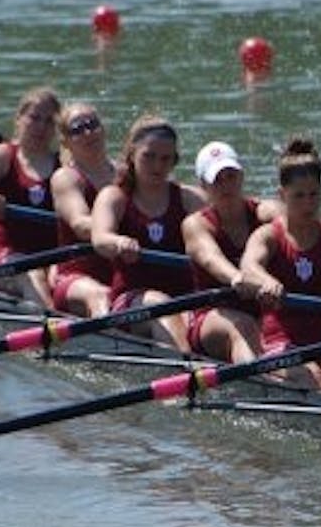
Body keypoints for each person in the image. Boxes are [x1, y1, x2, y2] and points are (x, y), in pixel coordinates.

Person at [239, 138, 321, 391]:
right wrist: (266, 281)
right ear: (282, 195)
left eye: (314, 194)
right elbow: (248, 268)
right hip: (279, 341)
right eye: (299, 196)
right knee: (312, 379)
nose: (308, 204)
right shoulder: (268, 236)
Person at [91, 114, 206, 351]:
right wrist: (118, 241)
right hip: (131, 301)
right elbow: (100, 238)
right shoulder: (114, 197)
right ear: (132, 154)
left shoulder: (189, 199)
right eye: (149, 156)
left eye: (165, 159)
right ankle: (188, 371)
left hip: (184, 297)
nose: (157, 166)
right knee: (159, 303)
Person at [181, 141, 282, 363]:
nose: (226, 185)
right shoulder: (196, 225)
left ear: (242, 177)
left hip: (263, 311)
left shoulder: (267, 212)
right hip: (213, 314)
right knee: (244, 325)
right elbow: (210, 259)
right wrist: (236, 277)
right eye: (217, 179)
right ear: (203, 186)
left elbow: (305, 233)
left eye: (231, 176)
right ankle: (261, 388)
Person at [0, 87, 61, 308]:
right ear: (19, 119)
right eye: (35, 118)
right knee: (33, 274)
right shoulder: (0, 154)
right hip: (4, 255)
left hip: (52, 257)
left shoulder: (63, 165)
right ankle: (52, 330)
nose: (41, 127)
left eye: (49, 121)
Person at [49, 102, 115, 317]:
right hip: (75, 276)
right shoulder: (66, 178)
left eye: (92, 124)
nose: (88, 132)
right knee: (101, 295)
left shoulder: (126, 174)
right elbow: (81, 224)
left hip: (120, 273)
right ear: (66, 142)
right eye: (77, 129)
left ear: (103, 129)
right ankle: (110, 344)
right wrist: (124, 232)